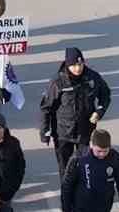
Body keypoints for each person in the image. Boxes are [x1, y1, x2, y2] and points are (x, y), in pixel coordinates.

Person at [40, 48, 112, 180]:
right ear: (67, 65)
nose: (78, 68)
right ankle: (67, 197)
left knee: (85, 167)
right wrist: (45, 132)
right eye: (74, 65)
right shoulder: (57, 82)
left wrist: (99, 112)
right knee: (66, 169)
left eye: (80, 64)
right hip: (63, 133)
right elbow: (46, 108)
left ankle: (83, 194)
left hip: (85, 131)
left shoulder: (92, 77)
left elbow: (105, 95)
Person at [60, 129, 119, 212]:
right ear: (91, 145)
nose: (102, 154)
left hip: (104, 207)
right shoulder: (79, 158)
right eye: (99, 151)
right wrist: (66, 209)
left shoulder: (115, 159)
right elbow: (67, 186)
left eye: (105, 151)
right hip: (80, 207)